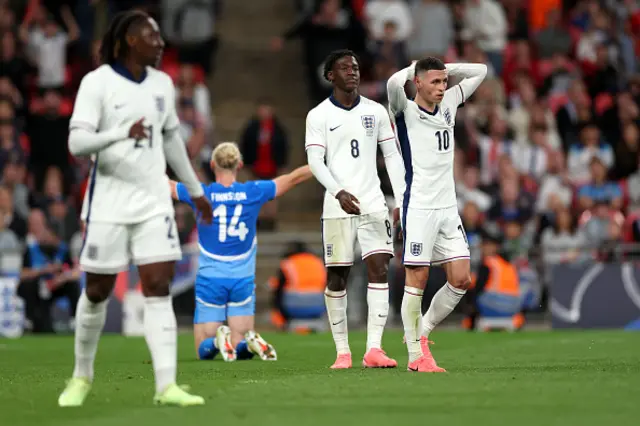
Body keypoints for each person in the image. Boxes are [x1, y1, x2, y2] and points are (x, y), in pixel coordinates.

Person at [58, 11, 213, 407]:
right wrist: (119, 133)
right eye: (151, 36)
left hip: (153, 202)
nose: (160, 43)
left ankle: (166, 386)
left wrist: (195, 192)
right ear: (130, 39)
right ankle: (81, 376)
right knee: (96, 291)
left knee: (158, 288)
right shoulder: (98, 83)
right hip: (108, 202)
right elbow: (77, 143)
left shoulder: (162, 84)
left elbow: (173, 141)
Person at [305, 49, 406, 369]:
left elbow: (392, 156)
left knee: (380, 268)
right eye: (344, 68)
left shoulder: (376, 112)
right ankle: (342, 352)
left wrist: (402, 200)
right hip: (337, 208)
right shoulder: (318, 115)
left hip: (374, 204)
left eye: (356, 67)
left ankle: (374, 349)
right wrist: (337, 191)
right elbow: (314, 161)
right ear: (330, 75)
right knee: (338, 276)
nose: (353, 71)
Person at [386, 57, 487, 372]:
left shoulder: (450, 102)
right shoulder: (404, 110)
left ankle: (422, 332)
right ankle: (416, 357)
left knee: (461, 279)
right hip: (418, 207)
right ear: (417, 82)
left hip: (447, 207)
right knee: (417, 278)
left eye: (444, 82)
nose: (443, 87)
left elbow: (481, 71)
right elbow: (392, 84)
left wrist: (445, 68)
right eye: (435, 82)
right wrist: (415, 66)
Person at [170, 142, 313, 362]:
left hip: (211, 278)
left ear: (212, 165)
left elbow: (164, 185)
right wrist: (324, 162)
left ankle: (218, 340)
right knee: (239, 346)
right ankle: (248, 343)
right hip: (242, 279)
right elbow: (293, 178)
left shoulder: (200, 194)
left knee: (203, 348)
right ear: (240, 165)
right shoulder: (253, 192)